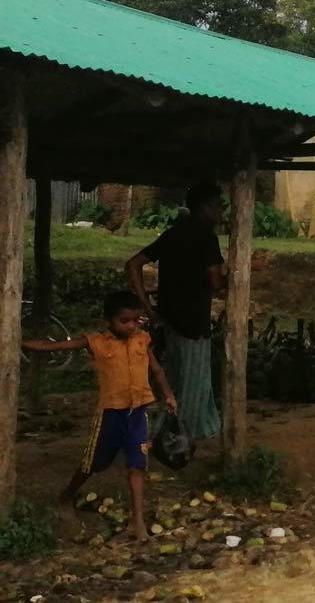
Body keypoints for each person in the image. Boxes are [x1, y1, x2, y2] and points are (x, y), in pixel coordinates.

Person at [24, 292, 176, 541]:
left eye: (135, 320)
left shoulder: (142, 340)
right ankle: (67, 495)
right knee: (92, 464)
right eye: (123, 320)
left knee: (137, 465)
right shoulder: (95, 342)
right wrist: (22, 343)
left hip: (137, 412)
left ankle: (137, 522)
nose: (130, 326)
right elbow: (56, 346)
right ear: (108, 320)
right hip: (110, 415)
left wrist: (168, 394)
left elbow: (156, 370)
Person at [126, 182, 223, 441]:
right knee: (193, 385)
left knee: (177, 382)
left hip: (170, 320)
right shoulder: (206, 237)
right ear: (206, 207)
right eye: (219, 206)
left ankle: (175, 433)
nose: (222, 212)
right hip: (193, 322)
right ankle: (176, 438)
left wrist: (147, 306)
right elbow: (215, 282)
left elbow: (133, 264)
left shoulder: (173, 234)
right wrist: (246, 270)